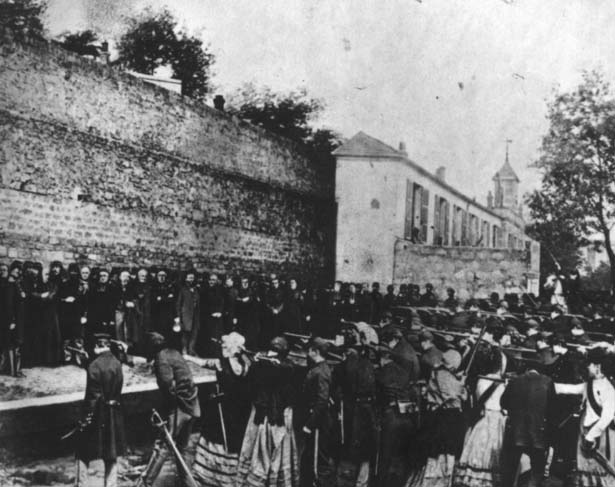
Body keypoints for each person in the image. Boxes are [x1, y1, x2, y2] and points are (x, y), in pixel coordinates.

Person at [139, 332, 201, 487]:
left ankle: (145, 483)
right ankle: (187, 484)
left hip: (179, 408)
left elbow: (168, 386)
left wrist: (168, 411)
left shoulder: (161, 358)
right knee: (183, 448)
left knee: (163, 446)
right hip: (192, 405)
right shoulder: (174, 353)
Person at [236, 336, 299, 487]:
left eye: (274, 351)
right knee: (264, 452)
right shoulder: (265, 364)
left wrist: (262, 360)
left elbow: (283, 369)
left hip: (275, 416)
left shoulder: (285, 366)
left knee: (271, 452)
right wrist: (257, 359)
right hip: (266, 414)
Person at [193, 332, 252, 487]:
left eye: (226, 345)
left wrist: (188, 358)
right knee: (234, 437)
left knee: (218, 435)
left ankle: (218, 476)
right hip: (239, 407)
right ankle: (233, 475)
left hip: (225, 406)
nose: (223, 347)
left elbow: (205, 363)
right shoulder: (246, 362)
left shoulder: (222, 363)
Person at [555, 348, 615, 487]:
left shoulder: (609, 390)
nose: (587, 367)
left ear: (598, 366)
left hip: (600, 435)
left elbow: (606, 417)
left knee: (600, 469)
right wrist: (549, 385)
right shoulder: (590, 384)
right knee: (585, 469)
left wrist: (591, 436)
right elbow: (571, 389)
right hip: (586, 431)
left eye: (589, 364)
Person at [75, 333, 126, 487]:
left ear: (97, 346)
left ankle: (82, 484)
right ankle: (111, 485)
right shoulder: (117, 363)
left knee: (82, 451)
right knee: (111, 454)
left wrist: (84, 419)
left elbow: (92, 397)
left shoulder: (94, 365)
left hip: (98, 414)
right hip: (113, 414)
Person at [453, 349, 506, 487]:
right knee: (492, 450)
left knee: (477, 448)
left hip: (482, 417)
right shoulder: (502, 383)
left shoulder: (482, 379)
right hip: (496, 418)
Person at [500, 363, 556, 487]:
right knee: (536, 471)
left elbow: (503, 403)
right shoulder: (548, 382)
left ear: (526, 370)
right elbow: (553, 410)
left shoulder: (515, 381)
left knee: (510, 469)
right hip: (538, 433)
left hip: (516, 432)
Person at [300, 337, 336, 487]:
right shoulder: (322, 368)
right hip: (318, 418)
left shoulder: (320, 372)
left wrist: (310, 424)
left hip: (318, 423)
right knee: (312, 458)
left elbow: (322, 400)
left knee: (318, 461)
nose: (307, 353)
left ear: (315, 351)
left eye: (309, 350)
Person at [175, 270, 200, 355]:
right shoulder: (182, 290)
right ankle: (184, 349)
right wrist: (178, 316)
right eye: (189, 278)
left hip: (195, 316)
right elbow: (178, 304)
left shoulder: (196, 290)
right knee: (185, 334)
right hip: (185, 316)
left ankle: (191, 349)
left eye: (192, 278)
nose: (191, 280)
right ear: (186, 279)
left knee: (194, 333)